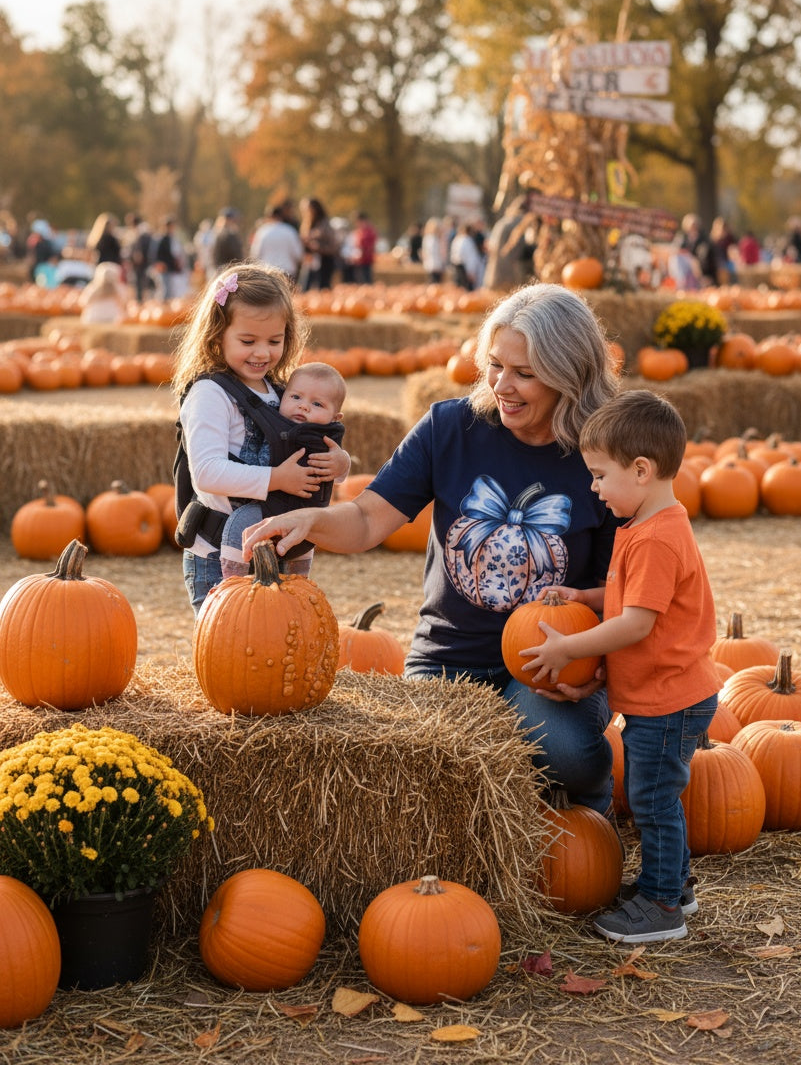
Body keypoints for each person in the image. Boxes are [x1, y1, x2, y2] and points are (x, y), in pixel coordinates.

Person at [242, 283, 622, 811]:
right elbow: (368, 518)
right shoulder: (451, 427)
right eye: (494, 365)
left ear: (570, 374)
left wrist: (595, 668)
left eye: (525, 374)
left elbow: (617, 589)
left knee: (564, 750)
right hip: (449, 659)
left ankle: (588, 795)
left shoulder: (602, 453)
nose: (502, 385)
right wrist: (311, 520)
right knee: (419, 776)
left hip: (550, 661)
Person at [520, 389, 721, 944]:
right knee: (658, 794)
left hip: (670, 698)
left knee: (653, 800)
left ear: (641, 469)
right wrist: (584, 597)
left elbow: (636, 624)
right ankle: (672, 884)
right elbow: (629, 598)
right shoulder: (647, 526)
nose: (593, 487)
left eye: (599, 475)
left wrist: (569, 649)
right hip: (662, 694)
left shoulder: (657, 537)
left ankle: (662, 908)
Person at [171, 262, 351, 614]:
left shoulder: (284, 393)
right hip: (219, 553)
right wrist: (277, 479)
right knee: (230, 643)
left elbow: (314, 449)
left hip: (275, 547)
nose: (262, 353)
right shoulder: (210, 394)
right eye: (248, 341)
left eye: (275, 341)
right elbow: (206, 472)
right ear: (216, 336)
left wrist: (340, 465)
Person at [219, 361, 346, 579]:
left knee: (302, 548)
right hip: (271, 506)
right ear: (281, 398)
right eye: (295, 397)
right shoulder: (275, 426)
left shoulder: (328, 438)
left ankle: (299, 583)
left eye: (317, 404)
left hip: (308, 514)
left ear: (335, 418)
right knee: (241, 523)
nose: (303, 406)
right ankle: (232, 580)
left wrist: (343, 463)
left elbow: (338, 475)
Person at [249, 200, 304, 283]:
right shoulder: (290, 231)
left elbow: (255, 253)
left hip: (267, 271)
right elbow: (298, 254)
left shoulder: (262, 232)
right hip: (287, 271)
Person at [298, 198, 338, 292]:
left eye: (308, 210)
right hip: (310, 260)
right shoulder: (306, 223)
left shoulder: (324, 224)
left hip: (324, 261)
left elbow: (333, 246)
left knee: (323, 288)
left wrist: (318, 247)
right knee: (305, 286)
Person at [154, 216, 189, 299]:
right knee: (166, 290)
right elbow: (157, 254)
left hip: (172, 268)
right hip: (165, 268)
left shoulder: (173, 238)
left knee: (173, 291)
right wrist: (160, 263)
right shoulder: (161, 239)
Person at [210, 209, 245, 280]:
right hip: (227, 270)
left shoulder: (218, 232)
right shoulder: (228, 234)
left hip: (222, 269)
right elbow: (236, 255)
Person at [449, 221, 483, 289]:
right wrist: (471, 271)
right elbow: (471, 258)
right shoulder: (468, 241)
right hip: (465, 268)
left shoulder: (456, 239)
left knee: (459, 287)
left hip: (457, 266)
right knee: (467, 288)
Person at [346, 212, 377, 284]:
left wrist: (360, 254)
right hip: (358, 260)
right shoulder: (359, 231)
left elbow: (368, 246)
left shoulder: (369, 231)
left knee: (366, 279)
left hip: (365, 259)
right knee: (359, 279)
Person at [420, 217, 447, 284]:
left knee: (437, 281)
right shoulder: (429, 238)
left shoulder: (438, 238)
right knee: (433, 281)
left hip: (438, 263)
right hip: (432, 263)